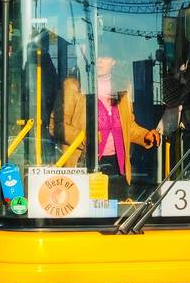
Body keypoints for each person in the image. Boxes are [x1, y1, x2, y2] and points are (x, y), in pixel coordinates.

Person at [55, 57, 162, 192]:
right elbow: (56, 125)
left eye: (104, 57)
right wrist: (84, 138)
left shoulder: (123, 87)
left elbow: (128, 126)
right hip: (84, 165)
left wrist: (145, 135)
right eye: (96, 56)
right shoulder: (74, 86)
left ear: (113, 60)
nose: (99, 60)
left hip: (118, 168)